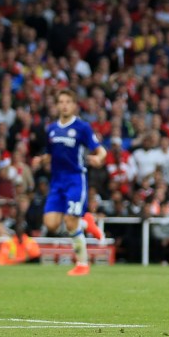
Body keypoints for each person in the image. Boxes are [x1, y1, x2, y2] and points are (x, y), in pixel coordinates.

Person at [34, 90, 107, 276]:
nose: (64, 105)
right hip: (56, 181)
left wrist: (99, 158)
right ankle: (86, 222)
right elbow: (49, 153)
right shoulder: (51, 129)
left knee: (69, 221)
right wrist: (41, 160)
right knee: (50, 223)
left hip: (75, 179)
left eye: (68, 101)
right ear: (57, 105)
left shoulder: (82, 127)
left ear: (74, 105)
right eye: (61, 101)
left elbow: (100, 150)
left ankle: (82, 264)